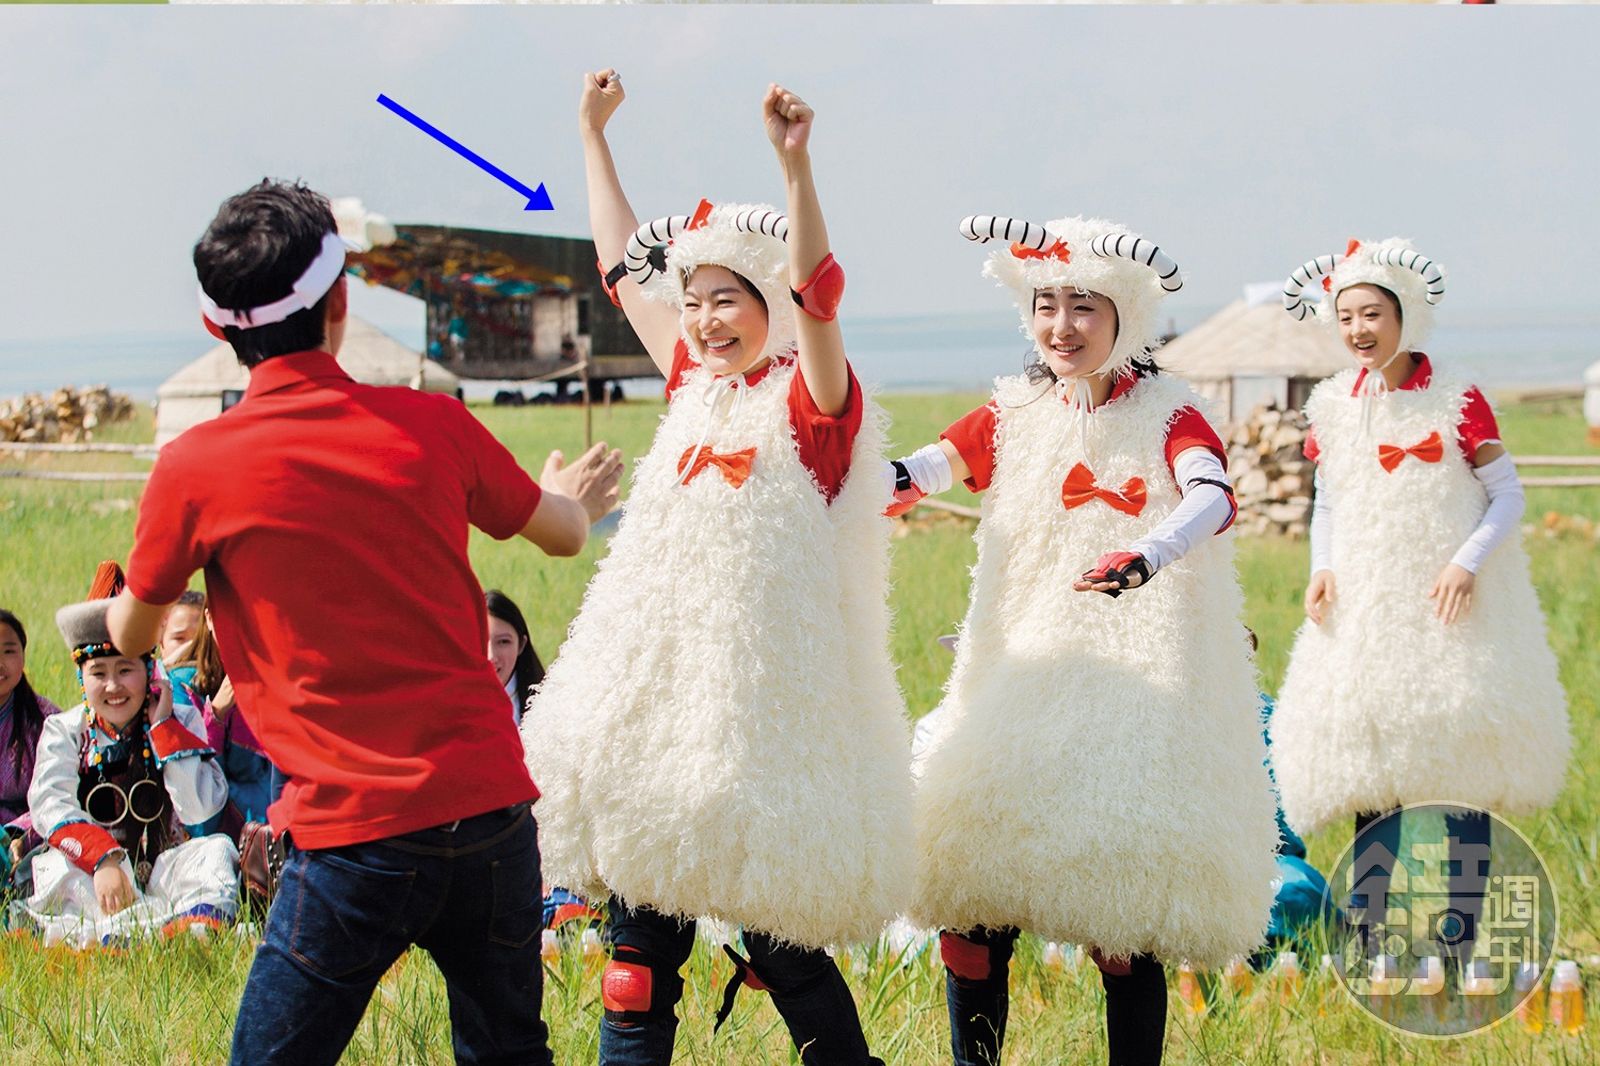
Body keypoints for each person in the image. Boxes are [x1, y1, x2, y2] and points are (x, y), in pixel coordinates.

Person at [104, 179, 622, 1066]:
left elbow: (131, 634)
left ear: (215, 328)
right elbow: (565, 532)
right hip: (491, 813)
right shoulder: (433, 424)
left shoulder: (196, 468)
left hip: (351, 839)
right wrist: (566, 493)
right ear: (341, 301)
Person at [522, 72, 912, 1066]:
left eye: (726, 300)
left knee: (785, 949)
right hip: (659, 724)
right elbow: (621, 268)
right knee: (635, 958)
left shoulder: (816, 407)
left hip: (765, 733)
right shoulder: (693, 384)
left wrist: (795, 168)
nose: (702, 321)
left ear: (767, 300)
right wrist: (592, 137)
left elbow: (819, 297)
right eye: (692, 302)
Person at [890, 214, 1280, 1066]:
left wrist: (1149, 551)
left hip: (1130, 692)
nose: (1061, 327)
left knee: (1119, 916)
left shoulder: (1171, 412)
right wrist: (856, 481)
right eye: (1046, 306)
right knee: (968, 892)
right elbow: (923, 470)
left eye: (1083, 307)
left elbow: (1212, 495)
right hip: (1020, 679)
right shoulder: (1014, 411)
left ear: (1124, 317)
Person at [1270, 238, 1570, 977]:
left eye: (1373, 313)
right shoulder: (1335, 404)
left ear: (1406, 314)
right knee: (1377, 776)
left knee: (1460, 771)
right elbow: (1328, 502)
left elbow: (1507, 495)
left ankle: (1459, 939)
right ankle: (1370, 939)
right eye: (1347, 316)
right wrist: (1321, 568)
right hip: (1371, 611)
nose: (1359, 329)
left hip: (1448, 612)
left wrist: (1465, 563)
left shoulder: (1456, 399)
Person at [12, 596, 238, 947]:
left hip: (161, 868)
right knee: (57, 867)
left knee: (216, 851)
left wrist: (164, 729)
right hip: (93, 874)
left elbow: (200, 812)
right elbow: (50, 804)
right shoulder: (65, 730)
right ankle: (150, 932)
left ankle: (148, 933)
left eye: (125, 670)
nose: (113, 686)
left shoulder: (180, 719)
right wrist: (103, 859)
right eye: (98, 673)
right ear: (81, 677)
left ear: (150, 671)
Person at [1, 608, 64, 886]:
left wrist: (20, 835)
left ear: (23, 656)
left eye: (8, 651)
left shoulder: (47, 720)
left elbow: (59, 792)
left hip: (30, 836)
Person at [485, 589, 544, 726]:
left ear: (521, 645)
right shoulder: (447, 705)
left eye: (503, 642)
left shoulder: (546, 706)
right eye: (481, 641)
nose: (491, 656)